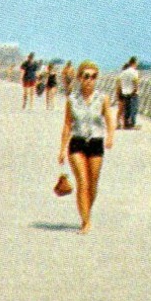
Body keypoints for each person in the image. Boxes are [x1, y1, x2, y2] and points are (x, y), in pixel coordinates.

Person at [58, 61, 116, 233]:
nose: (90, 80)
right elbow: (67, 125)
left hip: (96, 142)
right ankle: (86, 222)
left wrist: (110, 137)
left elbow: (109, 120)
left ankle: (86, 212)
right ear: (79, 78)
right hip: (77, 142)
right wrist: (62, 149)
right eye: (86, 76)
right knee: (83, 183)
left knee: (93, 184)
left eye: (93, 76)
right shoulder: (72, 100)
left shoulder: (103, 98)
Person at [116, 57, 140, 130]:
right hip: (133, 93)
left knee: (127, 109)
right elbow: (135, 82)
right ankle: (132, 124)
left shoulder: (123, 72)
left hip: (124, 93)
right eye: (137, 63)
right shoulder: (134, 72)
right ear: (134, 63)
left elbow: (119, 83)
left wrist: (119, 93)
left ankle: (126, 124)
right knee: (134, 109)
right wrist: (135, 90)